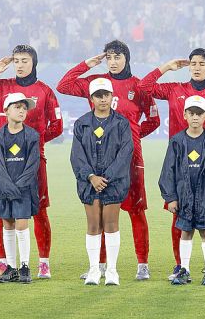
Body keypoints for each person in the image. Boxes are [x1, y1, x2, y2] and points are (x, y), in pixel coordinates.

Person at [57, 40, 161, 281]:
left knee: (136, 211)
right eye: (109, 58)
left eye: (117, 57)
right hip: (98, 160)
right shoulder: (96, 84)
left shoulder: (138, 86)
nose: (113, 62)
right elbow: (64, 85)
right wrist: (87, 64)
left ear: (127, 58)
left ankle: (142, 264)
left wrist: (130, 135)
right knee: (101, 211)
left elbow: (154, 120)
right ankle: (101, 265)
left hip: (131, 158)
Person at [138, 48, 205, 282]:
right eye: (193, 63)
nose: (196, 67)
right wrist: (165, 67)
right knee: (178, 217)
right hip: (179, 164)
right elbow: (142, 88)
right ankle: (180, 265)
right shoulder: (176, 89)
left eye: (202, 63)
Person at [0, 45, 63, 280]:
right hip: (1, 161)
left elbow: (57, 126)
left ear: (34, 63)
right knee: (2, 210)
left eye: (24, 60)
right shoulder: (1, 86)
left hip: (33, 160)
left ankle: (43, 263)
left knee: (38, 210)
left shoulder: (44, 91)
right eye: (16, 60)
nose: (20, 65)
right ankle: (4, 262)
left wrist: (36, 144)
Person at [158, 95, 205, 286]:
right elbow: (168, 170)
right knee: (185, 233)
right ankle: (184, 269)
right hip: (184, 198)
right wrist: (171, 197)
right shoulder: (177, 140)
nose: (195, 117)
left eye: (199, 113)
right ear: (185, 115)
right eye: (191, 113)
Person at [70, 79, 133, 286]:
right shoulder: (82, 123)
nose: (103, 99)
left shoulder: (121, 123)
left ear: (112, 96)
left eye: (106, 94)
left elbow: (125, 153)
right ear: (92, 99)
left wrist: (106, 178)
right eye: (98, 95)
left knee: (111, 224)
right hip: (89, 183)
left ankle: (112, 271)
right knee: (93, 224)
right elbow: (77, 156)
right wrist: (90, 176)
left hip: (113, 183)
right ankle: (94, 270)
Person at [0, 93, 41, 284]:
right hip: (4, 189)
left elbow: (32, 165)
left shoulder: (31, 135)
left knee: (22, 225)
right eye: (17, 107)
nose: (22, 111)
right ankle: (11, 268)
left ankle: (25, 267)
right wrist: (8, 187)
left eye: (24, 108)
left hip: (24, 189)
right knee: (7, 225)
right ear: (5, 111)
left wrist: (19, 186)